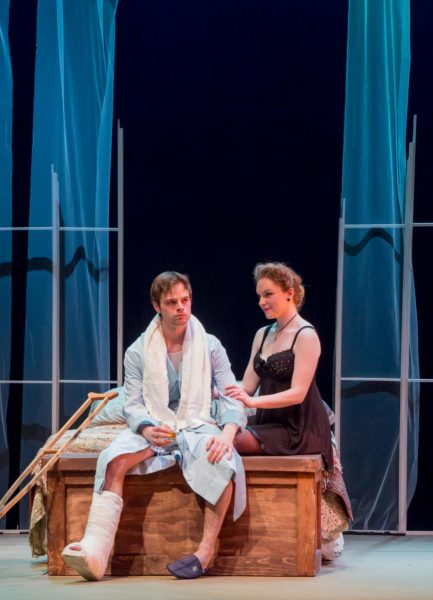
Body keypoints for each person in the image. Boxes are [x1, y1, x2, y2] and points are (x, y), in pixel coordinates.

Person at [62, 271, 246, 580]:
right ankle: (96, 551)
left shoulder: (210, 345)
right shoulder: (137, 351)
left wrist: (228, 433)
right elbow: (133, 404)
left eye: (185, 300)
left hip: (197, 424)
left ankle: (205, 553)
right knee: (113, 459)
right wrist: (147, 429)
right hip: (155, 425)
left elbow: (231, 395)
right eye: (172, 302)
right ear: (156, 305)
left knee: (222, 460)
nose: (181, 308)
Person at [225, 261, 352, 559]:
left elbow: (298, 394)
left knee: (231, 441)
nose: (262, 301)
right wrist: (222, 393)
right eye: (259, 295)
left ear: (289, 293)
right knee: (218, 433)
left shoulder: (305, 335)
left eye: (268, 294)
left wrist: (253, 403)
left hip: (300, 428)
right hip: (270, 422)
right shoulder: (262, 334)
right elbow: (248, 384)